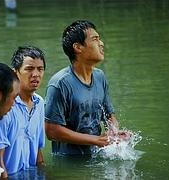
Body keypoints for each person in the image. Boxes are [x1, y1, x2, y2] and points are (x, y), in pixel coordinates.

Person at [44, 20, 120, 155]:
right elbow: (51, 131)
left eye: (99, 39)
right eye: (95, 39)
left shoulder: (99, 76)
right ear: (78, 47)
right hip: (69, 164)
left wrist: (113, 134)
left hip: (96, 155)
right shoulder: (60, 84)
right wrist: (96, 140)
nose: (101, 43)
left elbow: (109, 116)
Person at [0, 46, 46, 178]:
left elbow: (38, 150)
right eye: (29, 69)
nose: (36, 74)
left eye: (40, 69)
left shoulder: (39, 103)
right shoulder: (4, 108)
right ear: (15, 73)